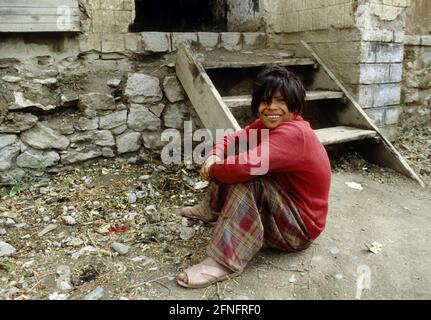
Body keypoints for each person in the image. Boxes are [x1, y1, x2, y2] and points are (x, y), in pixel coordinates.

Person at [177, 66, 331, 289]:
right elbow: (234, 139)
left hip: (299, 230)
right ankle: (210, 209)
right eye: (265, 101)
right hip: (284, 210)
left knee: (247, 174)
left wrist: (212, 170)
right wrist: (213, 156)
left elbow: (247, 166)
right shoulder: (269, 124)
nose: (272, 108)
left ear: (294, 105)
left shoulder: (294, 133)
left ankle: (223, 262)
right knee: (236, 159)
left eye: (281, 101)